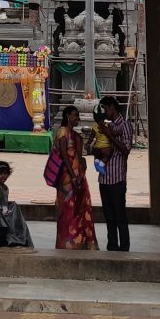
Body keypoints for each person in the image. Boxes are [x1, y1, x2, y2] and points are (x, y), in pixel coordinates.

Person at [91, 95, 133, 253]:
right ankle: (112, 245)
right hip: (104, 178)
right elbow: (95, 150)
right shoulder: (105, 125)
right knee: (109, 216)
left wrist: (109, 135)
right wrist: (97, 147)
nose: (103, 112)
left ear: (111, 107)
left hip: (117, 178)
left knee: (120, 216)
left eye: (105, 109)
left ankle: (124, 247)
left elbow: (126, 149)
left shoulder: (124, 125)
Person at [53, 105, 98, 249]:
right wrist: (73, 176)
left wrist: (81, 166)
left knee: (79, 208)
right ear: (68, 116)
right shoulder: (62, 132)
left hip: (78, 175)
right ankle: (67, 242)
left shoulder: (75, 135)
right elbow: (65, 156)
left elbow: (78, 156)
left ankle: (79, 241)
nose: (78, 118)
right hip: (67, 177)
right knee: (67, 209)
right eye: (75, 115)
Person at [0, 161, 34, 249]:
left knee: (14, 213)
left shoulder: (6, 188)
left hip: (2, 211)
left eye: (5, 174)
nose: (3, 176)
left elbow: (3, 200)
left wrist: (10, 205)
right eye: (0, 174)